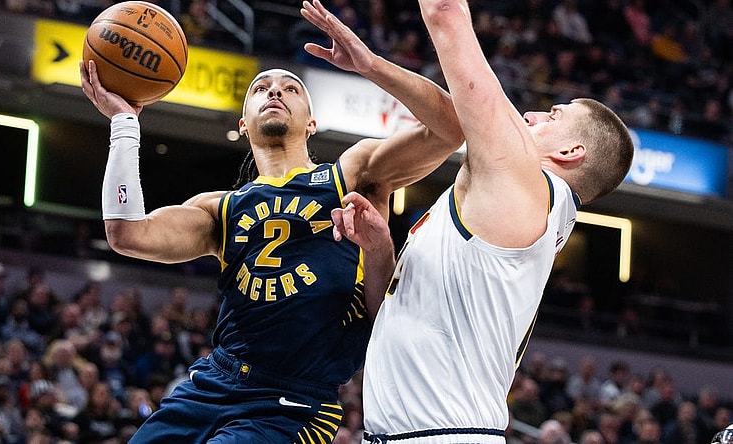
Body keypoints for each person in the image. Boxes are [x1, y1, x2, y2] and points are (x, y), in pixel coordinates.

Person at [78, 0, 463, 441]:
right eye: (261, 88)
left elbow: (451, 128)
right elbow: (127, 233)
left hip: (293, 402)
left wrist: (372, 66)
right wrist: (125, 124)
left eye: (291, 88)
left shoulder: (351, 175)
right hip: (212, 385)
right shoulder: (219, 209)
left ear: (312, 123)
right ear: (243, 124)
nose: (275, 92)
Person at [329, 0, 635, 442]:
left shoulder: (524, 189)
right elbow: (392, 319)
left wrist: (375, 65)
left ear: (571, 153)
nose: (530, 115)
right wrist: (379, 252)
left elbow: (446, 12)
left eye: (553, 116)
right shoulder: (509, 211)